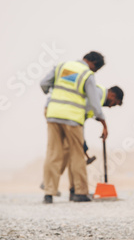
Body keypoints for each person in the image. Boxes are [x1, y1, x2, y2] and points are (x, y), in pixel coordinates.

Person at [40, 51, 107, 204]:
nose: (94, 72)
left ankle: (48, 193)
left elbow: (43, 84)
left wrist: (51, 93)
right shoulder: (86, 74)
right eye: (96, 69)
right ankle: (79, 192)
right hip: (72, 118)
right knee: (77, 155)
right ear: (93, 64)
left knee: (53, 154)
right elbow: (95, 103)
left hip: (53, 114)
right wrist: (103, 121)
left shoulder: (62, 66)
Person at [40, 84, 124, 199]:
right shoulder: (97, 94)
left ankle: (69, 189)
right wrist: (83, 139)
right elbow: (81, 116)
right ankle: (79, 192)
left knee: (65, 152)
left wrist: (82, 139)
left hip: (58, 114)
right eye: (114, 103)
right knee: (76, 155)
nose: (110, 106)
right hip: (69, 119)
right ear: (112, 95)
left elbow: (82, 117)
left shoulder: (96, 93)